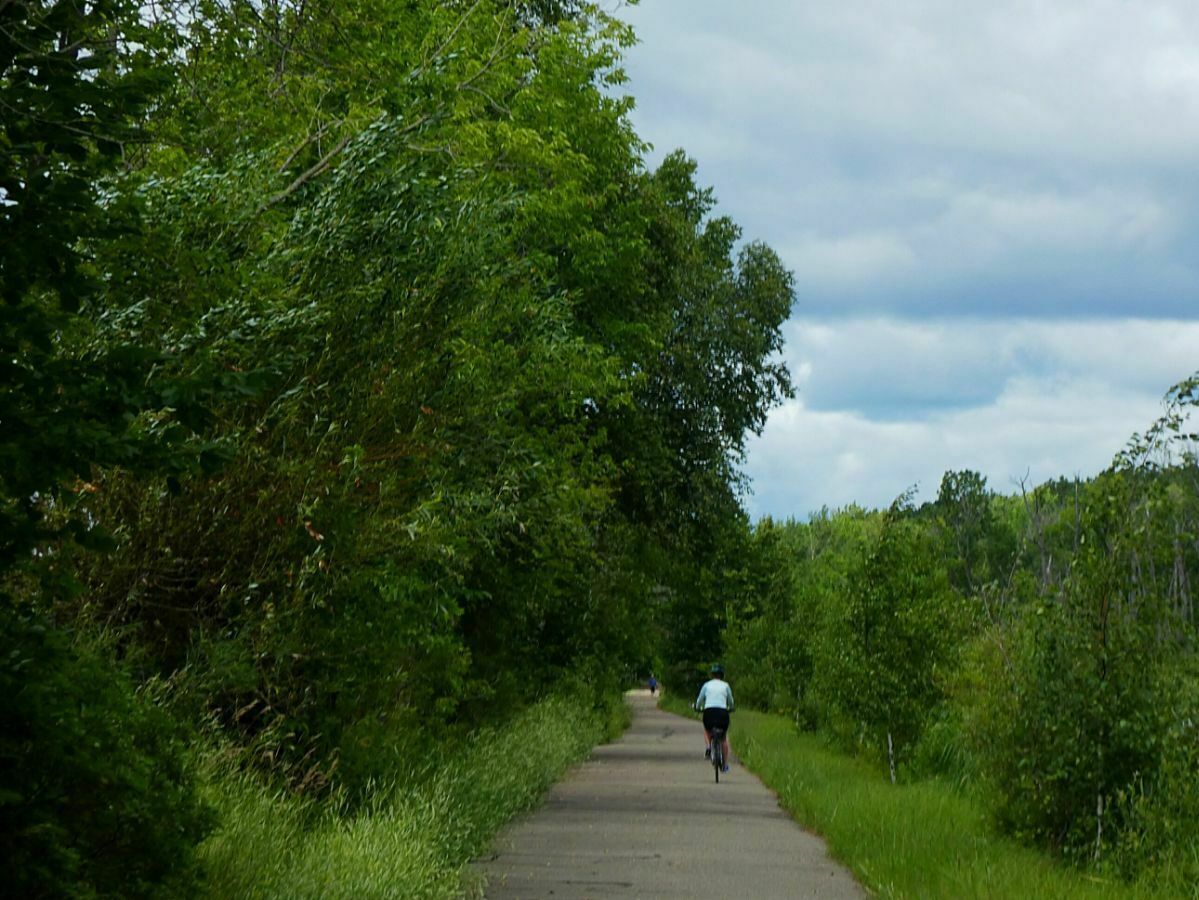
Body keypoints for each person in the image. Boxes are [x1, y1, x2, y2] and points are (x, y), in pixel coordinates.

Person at [694, 663, 734, 773]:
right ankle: (725, 765)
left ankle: (708, 748)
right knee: (723, 738)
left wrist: (697, 707)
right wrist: (731, 707)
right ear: (722, 675)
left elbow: (700, 699)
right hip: (722, 713)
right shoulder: (726, 685)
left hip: (709, 712)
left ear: (712, 675)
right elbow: (730, 701)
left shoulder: (706, 685)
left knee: (707, 730)